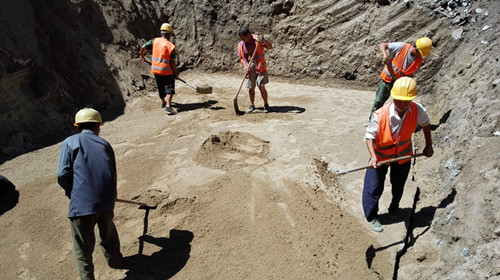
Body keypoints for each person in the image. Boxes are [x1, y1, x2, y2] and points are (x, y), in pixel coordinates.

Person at [57, 108, 123, 280]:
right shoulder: (104, 144)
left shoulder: (70, 142)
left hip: (82, 205)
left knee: (82, 248)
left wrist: (73, 192)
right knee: (108, 231)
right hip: (107, 201)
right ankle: (115, 260)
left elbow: (62, 174)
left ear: (78, 126)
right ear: (97, 127)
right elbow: (112, 172)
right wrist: (110, 195)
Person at [362, 77, 433, 232]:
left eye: (405, 101)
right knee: (373, 187)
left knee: (398, 185)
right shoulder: (380, 115)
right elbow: (369, 136)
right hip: (380, 156)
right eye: (398, 100)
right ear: (393, 97)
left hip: (403, 156)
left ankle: (394, 208)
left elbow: (426, 124)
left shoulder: (417, 110)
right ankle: (372, 216)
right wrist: (373, 156)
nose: (401, 104)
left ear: (412, 99)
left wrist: (429, 145)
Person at [368, 37, 432, 121]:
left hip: (400, 84)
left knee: (401, 105)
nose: (419, 55)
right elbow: (383, 45)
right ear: (415, 48)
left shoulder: (419, 60)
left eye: (421, 54)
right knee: (379, 101)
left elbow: (411, 74)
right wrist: (385, 55)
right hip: (387, 79)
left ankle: (400, 123)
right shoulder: (402, 47)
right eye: (419, 52)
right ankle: (372, 121)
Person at [140, 23, 179, 114]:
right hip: (167, 71)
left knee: (160, 87)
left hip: (156, 70)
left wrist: (142, 56)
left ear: (162, 32)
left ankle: (163, 102)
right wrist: (175, 73)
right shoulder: (170, 46)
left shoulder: (154, 41)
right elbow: (172, 63)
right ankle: (168, 105)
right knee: (170, 88)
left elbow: (143, 47)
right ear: (169, 34)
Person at [238, 26, 273, 113]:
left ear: (249, 35)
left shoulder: (258, 39)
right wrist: (245, 65)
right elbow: (241, 58)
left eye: (243, 38)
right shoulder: (241, 45)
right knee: (251, 87)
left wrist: (264, 40)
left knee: (261, 86)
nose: (242, 40)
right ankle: (252, 105)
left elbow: (270, 47)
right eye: (241, 38)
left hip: (260, 65)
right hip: (249, 67)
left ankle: (266, 104)